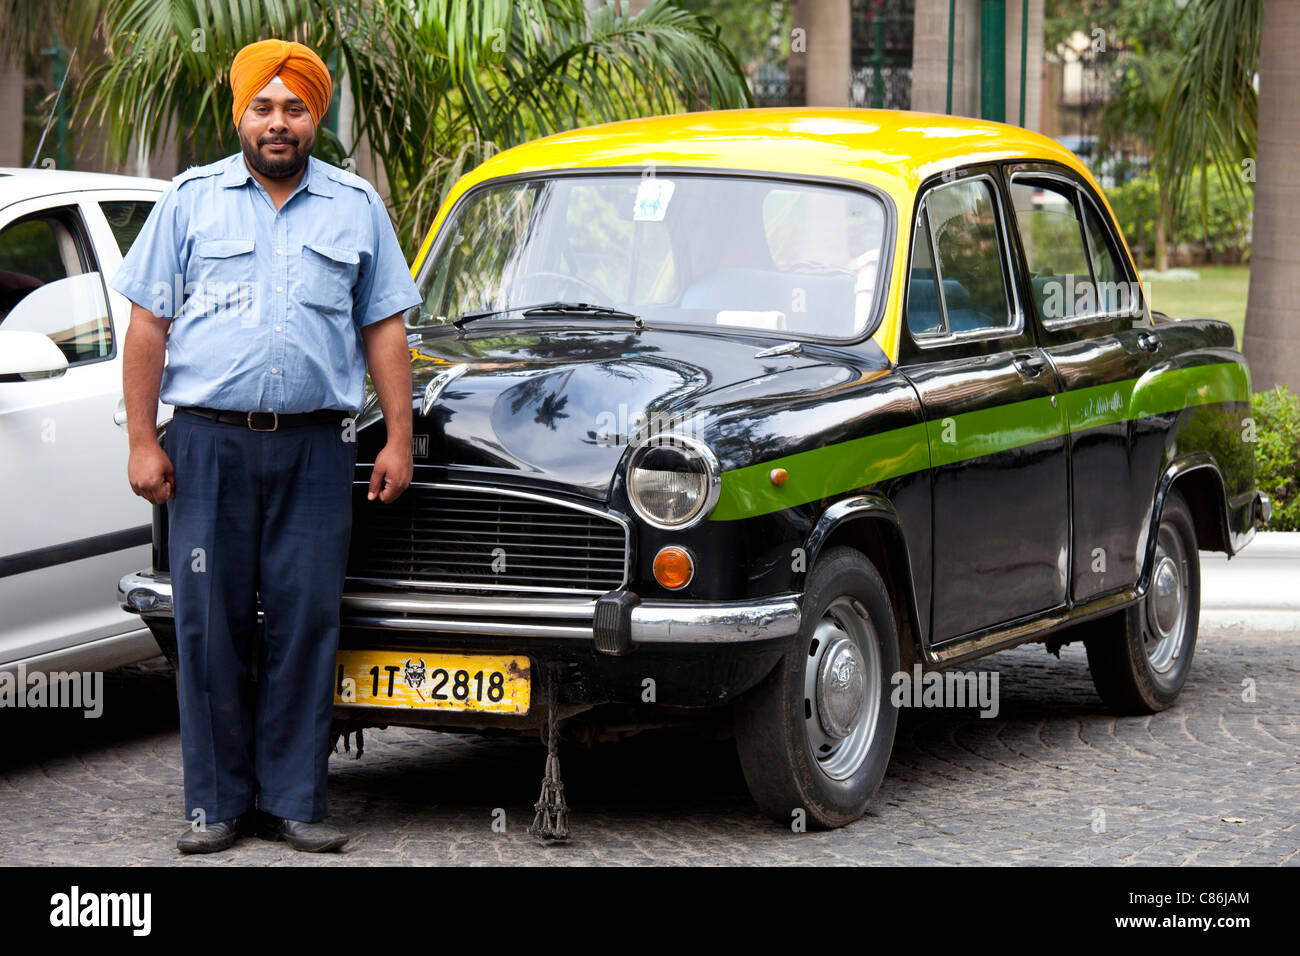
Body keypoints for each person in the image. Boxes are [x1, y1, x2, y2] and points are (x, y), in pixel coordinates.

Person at [111, 39, 422, 853]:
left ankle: (293, 800)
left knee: (306, 620)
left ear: (314, 116)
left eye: (294, 107)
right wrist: (144, 440)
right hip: (209, 449)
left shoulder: (356, 206)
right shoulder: (190, 201)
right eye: (263, 106)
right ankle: (214, 803)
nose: (277, 122)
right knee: (209, 623)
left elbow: (384, 326)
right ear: (240, 113)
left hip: (317, 453)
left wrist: (398, 436)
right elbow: (148, 326)